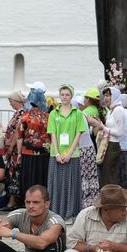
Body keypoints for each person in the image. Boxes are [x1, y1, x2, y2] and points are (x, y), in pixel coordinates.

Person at [46, 84, 86, 221]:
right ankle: (55, 213)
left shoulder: (77, 113)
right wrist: (57, 153)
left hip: (72, 154)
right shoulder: (53, 113)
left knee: (71, 183)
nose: (64, 97)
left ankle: (70, 214)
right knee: (56, 183)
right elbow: (52, 134)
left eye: (67, 95)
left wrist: (69, 153)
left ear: (71, 96)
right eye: (62, 94)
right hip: (55, 154)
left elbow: (78, 134)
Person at [17, 88, 50, 199]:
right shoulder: (47, 117)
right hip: (44, 153)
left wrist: (19, 154)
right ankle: (42, 199)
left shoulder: (25, 117)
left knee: (29, 177)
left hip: (28, 152)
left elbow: (19, 137)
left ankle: (29, 199)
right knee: (41, 177)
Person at [3, 90, 28, 211]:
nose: (10, 104)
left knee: (14, 173)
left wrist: (11, 146)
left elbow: (17, 131)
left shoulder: (21, 113)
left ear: (17, 101)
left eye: (11, 101)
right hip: (11, 149)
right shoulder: (18, 113)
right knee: (12, 173)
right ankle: (12, 200)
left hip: (14, 150)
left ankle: (13, 201)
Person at [78, 89, 101, 209]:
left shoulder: (84, 112)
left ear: (88, 99)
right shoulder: (96, 110)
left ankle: (86, 203)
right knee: (91, 176)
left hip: (83, 147)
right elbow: (98, 125)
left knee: (84, 177)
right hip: (91, 146)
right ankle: (93, 201)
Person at [100, 86, 126, 187]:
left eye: (108, 95)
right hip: (108, 144)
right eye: (104, 96)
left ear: (114, 96)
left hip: (113, 145)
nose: (105, 98)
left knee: (110, 175)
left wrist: (104, 128)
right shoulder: (111, 110)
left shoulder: (118, 110)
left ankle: (113, 199)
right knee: (106, 174)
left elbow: (119, 132)